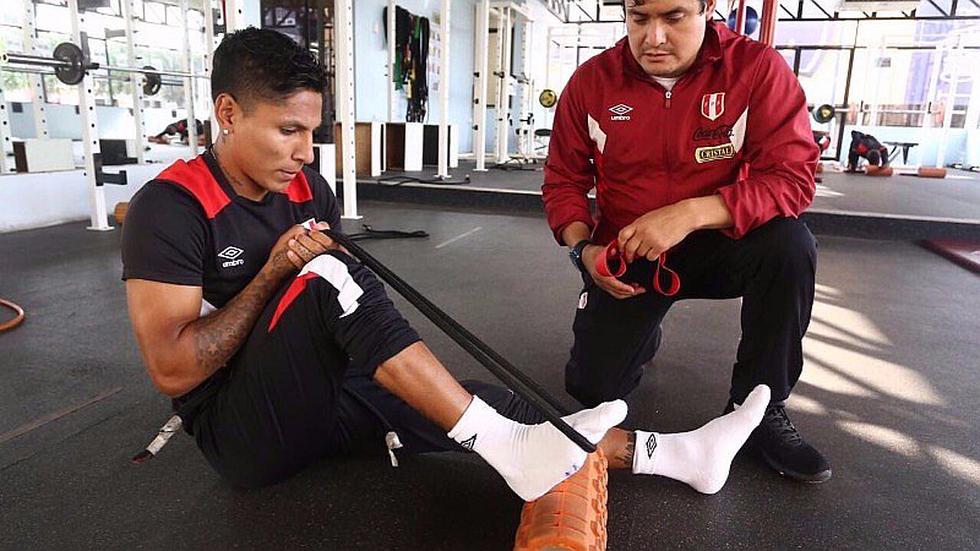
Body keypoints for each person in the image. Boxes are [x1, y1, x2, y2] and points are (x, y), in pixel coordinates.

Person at [122, 27, 772, 501]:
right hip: (244, 435)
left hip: (322, 393)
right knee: (327, 280)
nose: (306, 151)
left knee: (487, 402)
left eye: (313, 132)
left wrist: (412, 387)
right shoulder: (172, 207)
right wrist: (272, 272)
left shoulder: (307, 189)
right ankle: (500, 442)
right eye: (288, 130)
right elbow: (174, 367)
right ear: (228, 114)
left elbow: (340, 322)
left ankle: (680, 456)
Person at [542, 0, 831, 483]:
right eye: (639, 18)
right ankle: (643, 328)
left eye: (673, 17)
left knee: (790, 245)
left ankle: (759, 407)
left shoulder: (756, 69)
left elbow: (792, 178)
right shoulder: (592, 82)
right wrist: (583, 250)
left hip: (722, 241)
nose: (653, 37)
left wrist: (690, 213)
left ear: (708, 8)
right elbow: (563, 180)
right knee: (591, 390)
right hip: (633, 252)